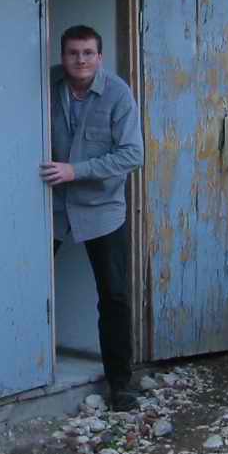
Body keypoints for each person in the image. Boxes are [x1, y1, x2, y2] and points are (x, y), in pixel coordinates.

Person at [40, 24, 144, 411]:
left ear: (99, 57)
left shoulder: (118, 93)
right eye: (73, 53)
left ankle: (121, 384)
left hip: (102, 209)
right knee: (28, 287)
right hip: (50, 206)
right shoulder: (45, 85)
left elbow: (133, 154)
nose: (80, 60)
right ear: (62, 57)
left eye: (88, 53)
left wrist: (76, 171)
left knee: (114, 295)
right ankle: (19, 375)